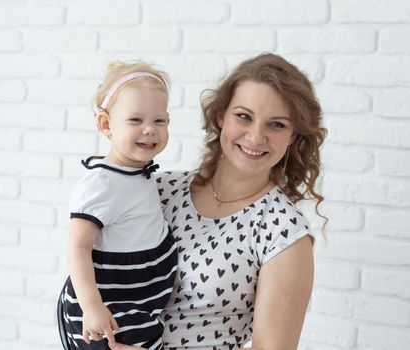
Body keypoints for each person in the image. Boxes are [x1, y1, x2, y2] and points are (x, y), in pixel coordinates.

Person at [110, 53, 327, 350]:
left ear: (292, 136)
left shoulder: (283, 232)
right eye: (244, 116)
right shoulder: (158, 189)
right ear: (221, 115)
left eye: (276, 124)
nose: (255, 136)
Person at [57, 60, 178, 350]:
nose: (149, 130)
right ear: (106, 124)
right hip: (111, 302)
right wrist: (92, 307)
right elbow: (78, 247)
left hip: (138, 299)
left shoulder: (139, 172)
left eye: (159, 121)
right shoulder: (101, 184)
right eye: (136, 121)